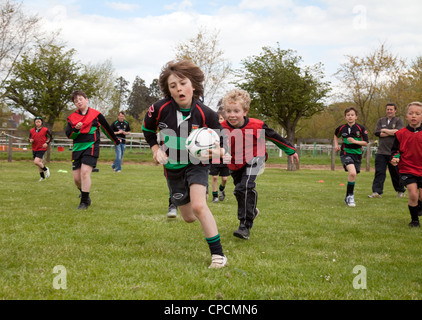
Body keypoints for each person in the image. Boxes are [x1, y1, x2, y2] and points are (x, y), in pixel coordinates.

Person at [142, 60, 230, 268]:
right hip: (172, 168)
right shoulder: (159, 108)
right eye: (173, 86)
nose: (179, 89)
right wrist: (156, 149)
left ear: (193, 85)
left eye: (182, 83)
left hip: (197, 164)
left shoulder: (207, 114)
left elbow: (223, 145)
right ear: (168, 91)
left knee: (200, 206)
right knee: (189, 217)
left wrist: (216, 151)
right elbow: (147, 131)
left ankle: (218, 255)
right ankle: (193, 196)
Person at [221, 89, 299, 240]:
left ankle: (244, 226)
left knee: (245, 187)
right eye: (228, 111)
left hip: (255, 158)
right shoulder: (222, 127)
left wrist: (290, 150)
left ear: (245, 111)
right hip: (235, 163)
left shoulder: (257, 125)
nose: (232, 114)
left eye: (236, 111)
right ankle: (252, 211)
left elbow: (275, 137)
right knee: (239, 191)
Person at [66, 90, 120, 210]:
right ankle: (84, 192)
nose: (78, 102)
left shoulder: (96, 115)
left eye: (80, 99)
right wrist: (76, 130)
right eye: (76, 101)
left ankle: (84, 202)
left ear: (86, 99)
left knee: (85, 172)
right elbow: (69, 135)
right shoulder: (72, 118)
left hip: (91, 147)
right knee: (76, 178)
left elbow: (107, 129)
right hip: (77, 149)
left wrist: (116, 141)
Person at [391, 101, 422, 228]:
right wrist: (395, 158)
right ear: (406, 116)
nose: (414, 116)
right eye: (411, 113)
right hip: (407, 168)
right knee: (413, 193)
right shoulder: (400, 134)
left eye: (417, 113)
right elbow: (395, 151)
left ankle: (418, 205)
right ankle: (414, 221)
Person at [334, 107, 369, 207]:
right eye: (348, 115)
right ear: (345, 117)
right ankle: (351, 196)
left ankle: (347, 197)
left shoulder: (361, 128)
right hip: (345, 153)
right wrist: (336, 145)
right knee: (352, 172)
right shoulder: (341, 128)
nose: (350, 117)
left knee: (353, 175)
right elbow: (336, 135)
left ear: (356, 117)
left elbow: (365, 142)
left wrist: (355, 141)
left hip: (357, 154)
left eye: (352, 115)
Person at [369, 103, 405, 198]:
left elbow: (398, 132)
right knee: (379, 172)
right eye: (388, 109)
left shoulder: (398, 121)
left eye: (391, 109)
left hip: (394, 152)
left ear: (395, 110)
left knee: (396, 173)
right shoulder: (381, 120)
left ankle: (401, 191)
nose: (389, 111)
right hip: (381, 152)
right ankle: (377, 192)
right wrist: (391, 132)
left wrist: (384, 130)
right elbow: (377, 132)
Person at [210, 107, 229, 203]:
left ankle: (221, 189)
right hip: (214, 156)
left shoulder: (227, 130)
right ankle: (215, 196)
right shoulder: (212, 131)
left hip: (224, 156)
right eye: (218, 119)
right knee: (214, 177)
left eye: (221, 119)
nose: (219, 121)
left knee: (224, 178)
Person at [29, 116, 52, 181]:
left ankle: (46, 169)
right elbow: (30, 138)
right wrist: (30, 140)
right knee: (39, 163)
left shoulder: (45, 130)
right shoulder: (32, 130)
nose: (37, 123)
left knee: (36, 162)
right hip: (34, 148)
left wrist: (46, 143)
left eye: (39, 121)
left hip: (41, 148)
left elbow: (50, 137)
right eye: (36, 122)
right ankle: (42, 177)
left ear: (41, 122)